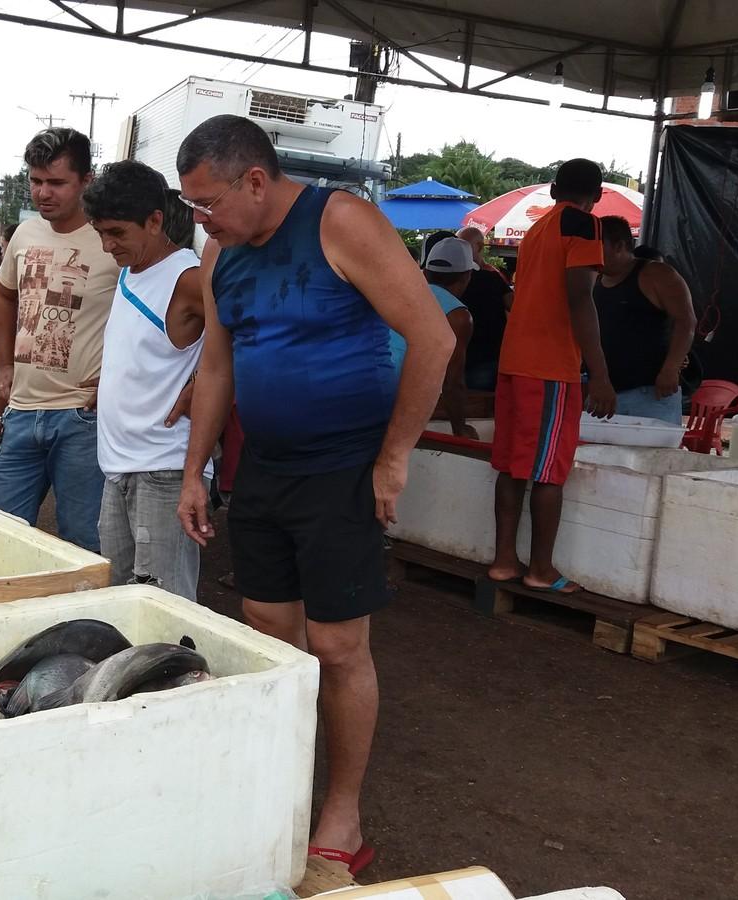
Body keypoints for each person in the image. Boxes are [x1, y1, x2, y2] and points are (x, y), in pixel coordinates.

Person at [174, 115, 454, 874]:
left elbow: (434, 337)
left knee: (336, 645)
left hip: (341, 469)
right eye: (192, 206)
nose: (202, 219)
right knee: (269, 635)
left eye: (208, 204)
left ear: (256, 181)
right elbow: (216, 370)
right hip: (262, 467)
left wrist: (394, 457)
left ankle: (342, 809)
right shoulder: (220, 252)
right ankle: (281, 784)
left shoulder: (342, 221)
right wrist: (196, 469)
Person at [0, 127, 117, 552]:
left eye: (57, 182)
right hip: (21, 410)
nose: (43, 193)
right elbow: (3, 296)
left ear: (87, 181)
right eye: (36, 181)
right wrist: (4, 364)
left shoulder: (113, 242)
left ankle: (84, 621)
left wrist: (117, 380)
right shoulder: (25, 235)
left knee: (83, 543)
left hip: (83, 418)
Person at [487, 159, 616, 594]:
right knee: (548, 472)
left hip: (515, 359)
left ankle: (505, 561)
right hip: (550, 365)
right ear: (596, 195)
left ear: (554, 189)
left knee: (512, 467)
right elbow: (580, 299)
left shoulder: (538, 229)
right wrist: (599, 373)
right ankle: (541, 569)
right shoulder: (583, 224)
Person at [83, 160, 207, 600]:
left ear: (155, 220)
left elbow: (243, 339)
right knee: (120, 598)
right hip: (118, 467)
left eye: (116, 233)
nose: (106, 245)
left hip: (164, 469)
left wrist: (200, 381)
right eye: (100, 232)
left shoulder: (188, 278)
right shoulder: (131, 271)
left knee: (164, 606)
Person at [593, 215, 696, 424]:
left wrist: (671, 368)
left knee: (653, 456)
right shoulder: (592, 278)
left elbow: (686, 322)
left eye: (596, 246)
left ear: (619, 245)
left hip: (651, 392)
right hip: (605, 391)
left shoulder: (657, 274)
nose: (588, 254)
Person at [394, 237, 477, 439]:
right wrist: (460, 429)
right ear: (466, 276)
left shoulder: (398, 293)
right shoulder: (458, 316)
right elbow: (452, 382)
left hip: (365, 389)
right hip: (394, 402)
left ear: (426, 272)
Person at [455, 225, 513, 391]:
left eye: (463, 245)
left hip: (485, 358)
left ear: (479, 247)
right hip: (473, 357)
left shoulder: (493, 277)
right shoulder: (492, 278)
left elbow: (515, 309)